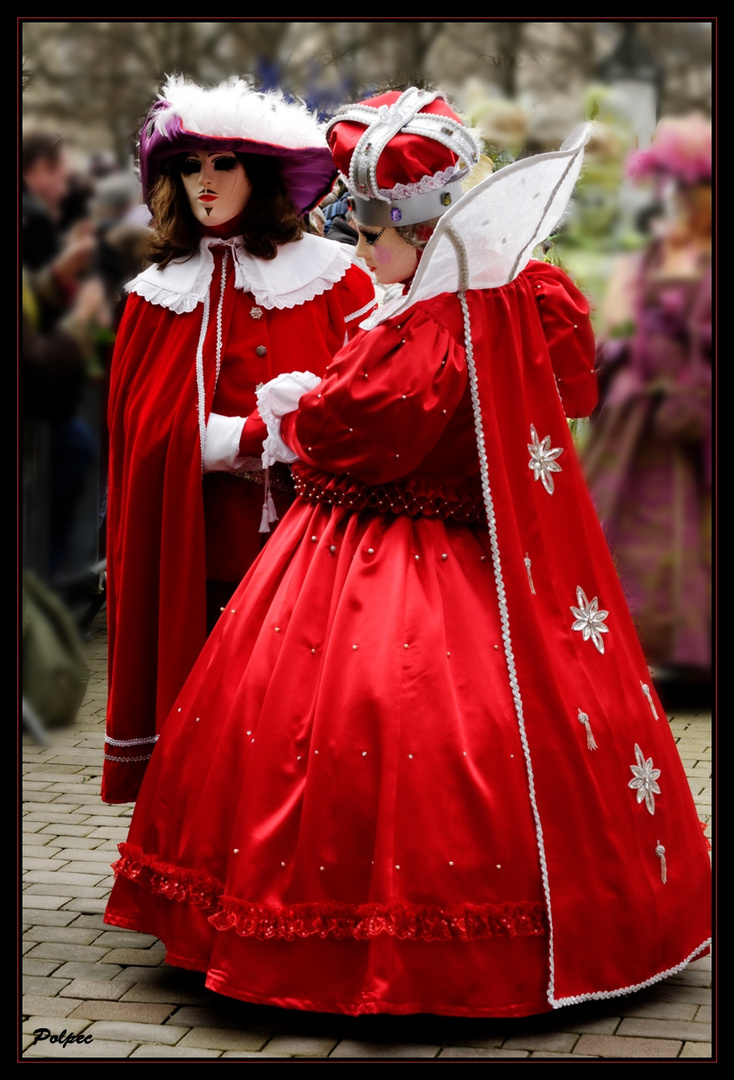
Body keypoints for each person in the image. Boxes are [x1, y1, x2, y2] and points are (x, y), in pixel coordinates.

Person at [104, 89, 711, 1017]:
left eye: (371, 231)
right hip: (487, 554)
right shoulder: (519, 298)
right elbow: (567, 388)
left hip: (376, 556)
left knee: (370, 727)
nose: (359, 250)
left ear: (414, 232)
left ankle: (371, 944)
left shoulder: (426, 328)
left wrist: (296, 409)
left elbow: (354, 432)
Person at [101, 77, 375, 804]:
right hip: (202, 543)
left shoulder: (337, 277)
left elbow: (371, 396)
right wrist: (243, 437)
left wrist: (299, 430)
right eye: (190, 167)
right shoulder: (156, 293)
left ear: (263, 174)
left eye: (223, 163)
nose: (206, 182)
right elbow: (138, 434)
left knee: (304, 704)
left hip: (316, 538)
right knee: (212, 697)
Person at [583, 115, 712, 682]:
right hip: (641, 423)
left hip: (694, 420)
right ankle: (656, 649)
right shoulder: (650, 258)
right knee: (643, 531)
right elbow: (617, 331)